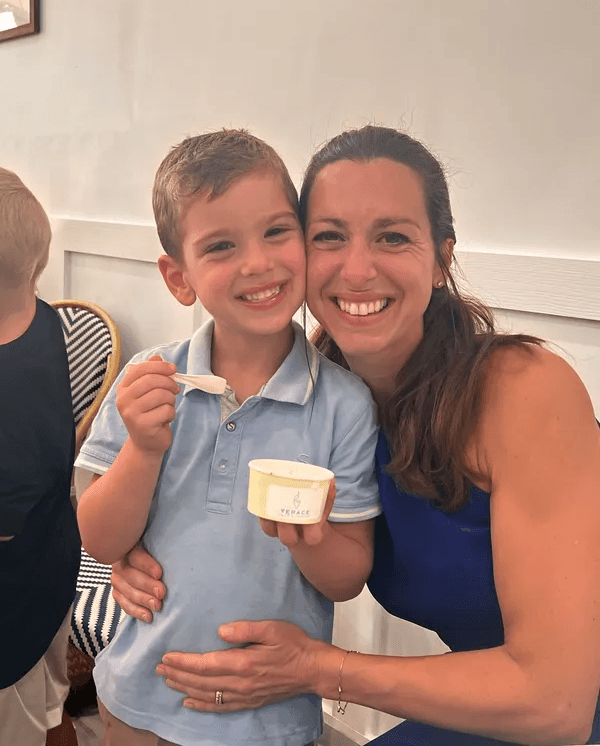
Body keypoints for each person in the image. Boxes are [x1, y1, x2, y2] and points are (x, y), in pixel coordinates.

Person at [113, 125, 600, 745]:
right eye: (329, 238)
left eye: (393, 237)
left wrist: (319, 669)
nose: (358, 269)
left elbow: (557, 706)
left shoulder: (523, 389)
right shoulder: (323, 399)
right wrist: (139, 551)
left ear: (442, 257)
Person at [75, 129, 381, 746]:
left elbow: (348, 576)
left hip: (272, 719)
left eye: (276, 231)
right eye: (220, 245)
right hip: (138, 700)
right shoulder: (147, 384)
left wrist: (309, 539)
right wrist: (143, 449)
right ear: (178, 275)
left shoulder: (344, 405)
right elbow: (100, 538)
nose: (258, 263)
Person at [0, 168, 80, 744]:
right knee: (48, 704)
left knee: (24, 718)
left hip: (16, 596)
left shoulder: (15, 380)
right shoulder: (44, 317)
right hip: (51, 563)